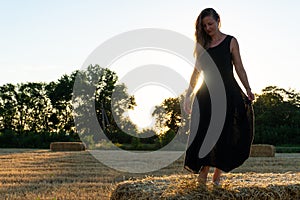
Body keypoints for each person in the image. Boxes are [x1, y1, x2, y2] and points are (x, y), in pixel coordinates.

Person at [183, 8, 255, 185]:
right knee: (204, 133)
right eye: (204, 25)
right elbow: (195, 73)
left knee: (225, 133)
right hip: (206, 95)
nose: (208, 28)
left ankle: (217, 174)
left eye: (210, 24)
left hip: (228, 93)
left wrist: (248, 88)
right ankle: (203, 172)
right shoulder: (202, 46)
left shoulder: (231, 41)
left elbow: (239, 67)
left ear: (218, 21)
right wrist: (188, 96)